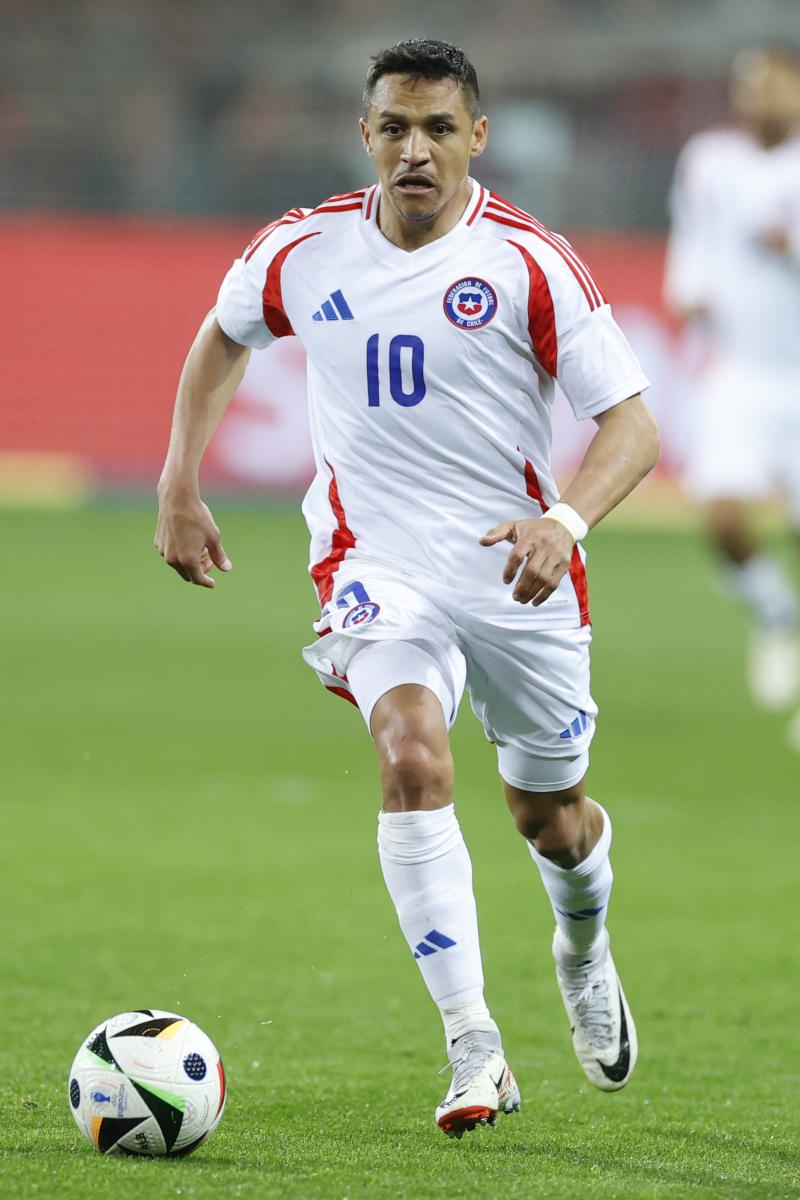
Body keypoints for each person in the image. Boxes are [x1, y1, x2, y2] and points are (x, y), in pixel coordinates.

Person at [156, 39, 659, 1138]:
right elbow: (221, 335)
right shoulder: (304, 249)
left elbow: (631, 427)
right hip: (374, 562)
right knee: (410, 757)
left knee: (551, 819)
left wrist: (561, 520)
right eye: (394, 127)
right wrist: (178, 479)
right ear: (365, 135)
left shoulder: (530, 262)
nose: (414, 149)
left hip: (517, 571)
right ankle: (473, 1042)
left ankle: (581, 944)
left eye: (438, 128)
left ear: (477, 137)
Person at [665, 45, 800, 733]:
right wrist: (686, 290)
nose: (761, 98)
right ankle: (778, 614)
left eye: (775, 85)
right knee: (720, 514)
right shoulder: (709, 161)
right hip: (740, 370)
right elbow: (694, 237)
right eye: (750, 86)